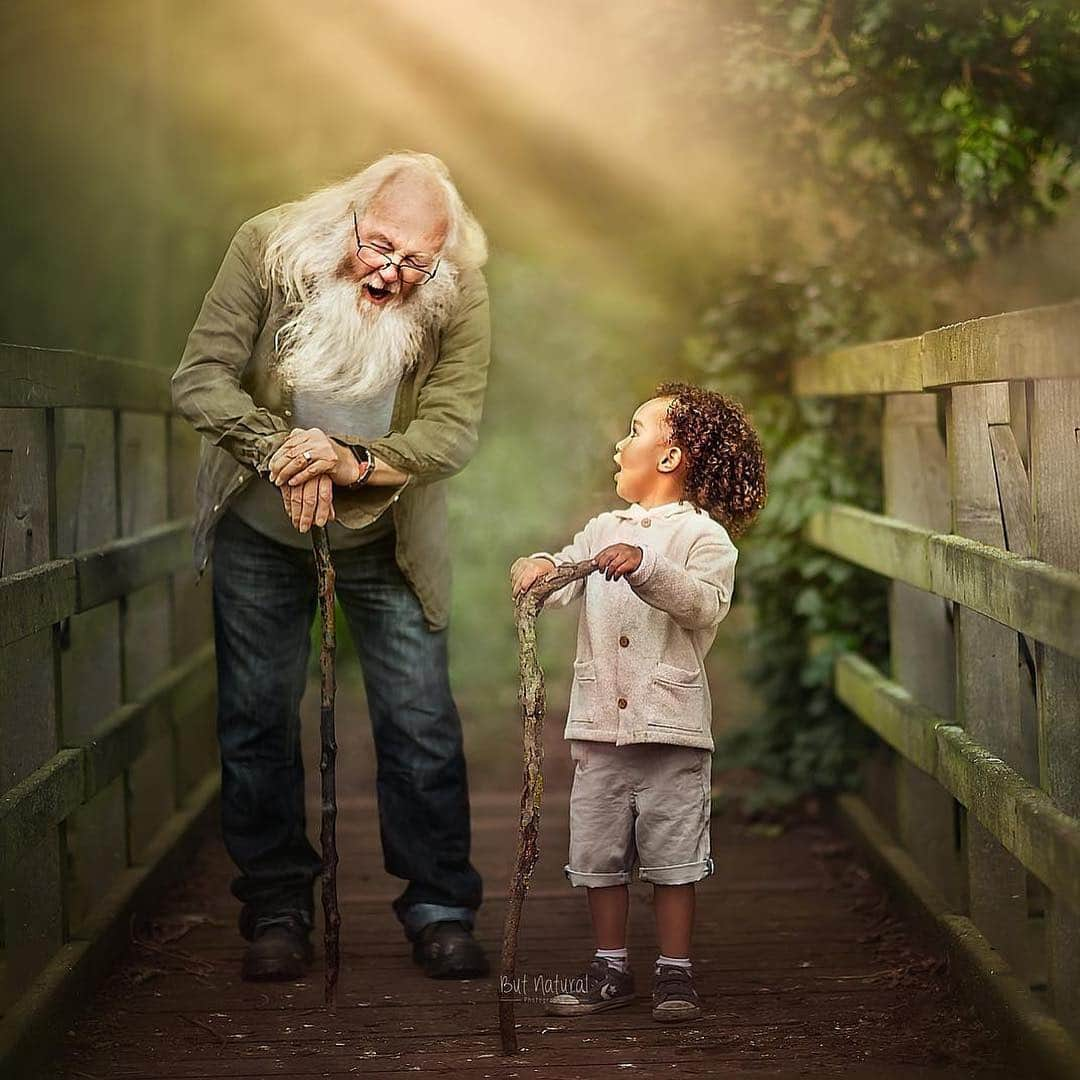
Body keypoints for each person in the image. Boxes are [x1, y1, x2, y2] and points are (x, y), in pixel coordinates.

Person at [172, 151, 491, 981]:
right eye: (378, 245)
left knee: (420, 721)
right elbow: (199, 379)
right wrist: (283, 451)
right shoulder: (268, 245)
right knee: (256, 718)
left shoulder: (459, 291)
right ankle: (276, 908)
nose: (389, 272)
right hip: (259, 527)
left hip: (390, 538)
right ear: (349, 214)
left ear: (442, 256)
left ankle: (440, 905)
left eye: (414, 261)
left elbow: (450, 434)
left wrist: (347, 462)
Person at [510, 382, 767, 1021]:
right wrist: (539, 568)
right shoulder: (603, 529)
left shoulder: (704, 539)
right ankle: (610, 966)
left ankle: (675, 970)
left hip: (672, 731)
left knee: (673, 855)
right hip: (600, 727)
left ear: (670, 456)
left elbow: (704, 603)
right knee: (598, 852)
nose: (619, 443)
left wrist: (646, 565)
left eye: (634, 430)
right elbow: (565, 573)